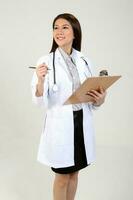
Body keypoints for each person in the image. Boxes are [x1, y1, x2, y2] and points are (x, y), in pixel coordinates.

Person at [31, 13, 106, 200]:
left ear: (74, 33)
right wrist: (40, 81)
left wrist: (100, 98)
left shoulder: (85, 61)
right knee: (62, 177)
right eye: (55, 27)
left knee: (74, 174)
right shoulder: (45, 62)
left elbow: (92, 98)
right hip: (61, 127)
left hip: (81, 123)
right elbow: (39, 100)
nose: (59, 31)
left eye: (65, 27)